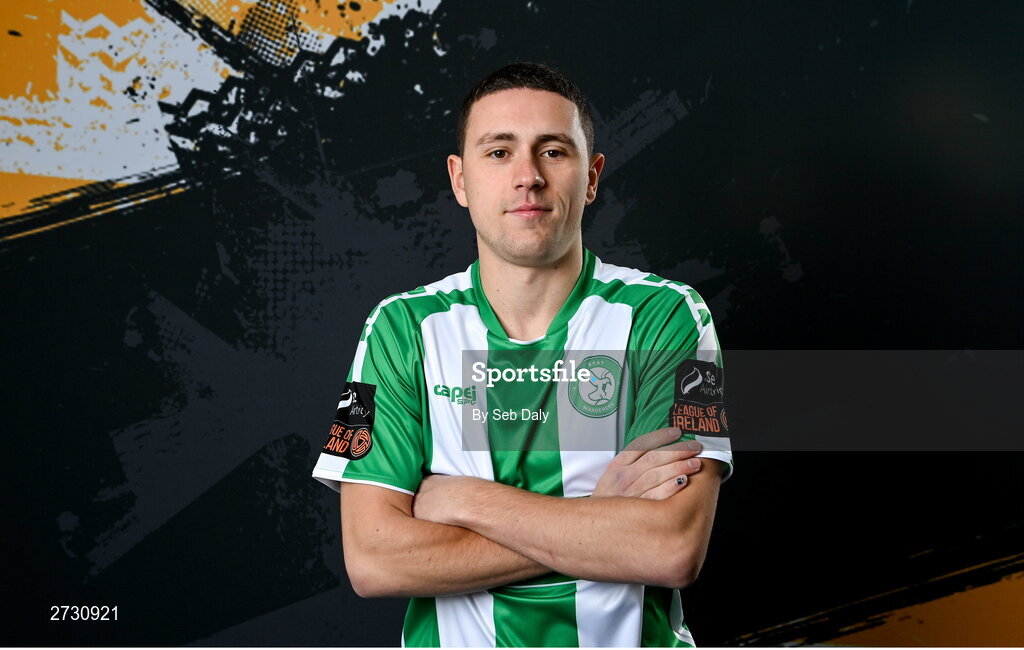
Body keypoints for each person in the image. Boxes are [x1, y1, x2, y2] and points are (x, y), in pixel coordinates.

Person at [312, 62, 733, 647]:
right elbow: (373, 561)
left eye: (554, 151)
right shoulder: (396, 330)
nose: (528, 177)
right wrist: (599, 518)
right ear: (460, 180)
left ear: (591, 176)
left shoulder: (671, 319)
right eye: (499, 152)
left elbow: (669, 548)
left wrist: (460, 498)